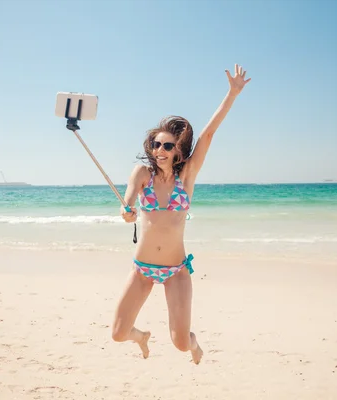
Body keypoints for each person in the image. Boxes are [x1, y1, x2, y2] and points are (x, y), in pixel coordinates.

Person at [111, 64, 251, 364]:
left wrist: (232, 94)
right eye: (156, 144)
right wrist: (127, 210)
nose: (159, 149)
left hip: (176, 271)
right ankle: (142, 337)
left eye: (167, 145)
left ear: (178, 150)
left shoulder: (186, 177)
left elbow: (209, 134)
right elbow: (129, 199)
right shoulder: (142, 173)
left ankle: (194, 343)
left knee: (180, 343)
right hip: (142, 269)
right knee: (119, 334)